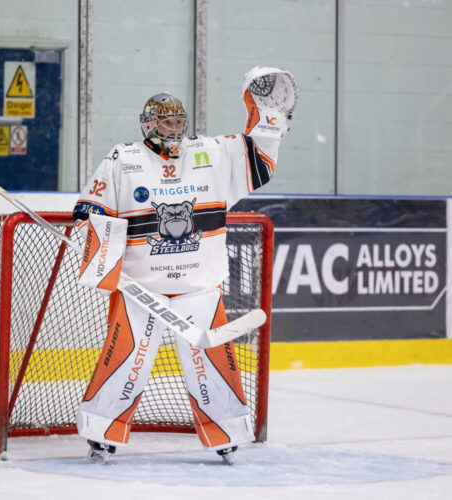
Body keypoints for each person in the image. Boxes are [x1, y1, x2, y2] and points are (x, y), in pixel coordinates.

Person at [72, 66, 298, 464]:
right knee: (128, 357)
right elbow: (94, 212)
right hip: (140, 289)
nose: (175, 128)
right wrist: (103, 257)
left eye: (179, 120)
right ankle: (101, 431)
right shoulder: (123, 159)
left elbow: (259, 162)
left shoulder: (211, 152)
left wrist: (269, 122)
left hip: (199, 287)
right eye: (166, 121)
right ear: (148, 124)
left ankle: (225, 433)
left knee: (210, 358)